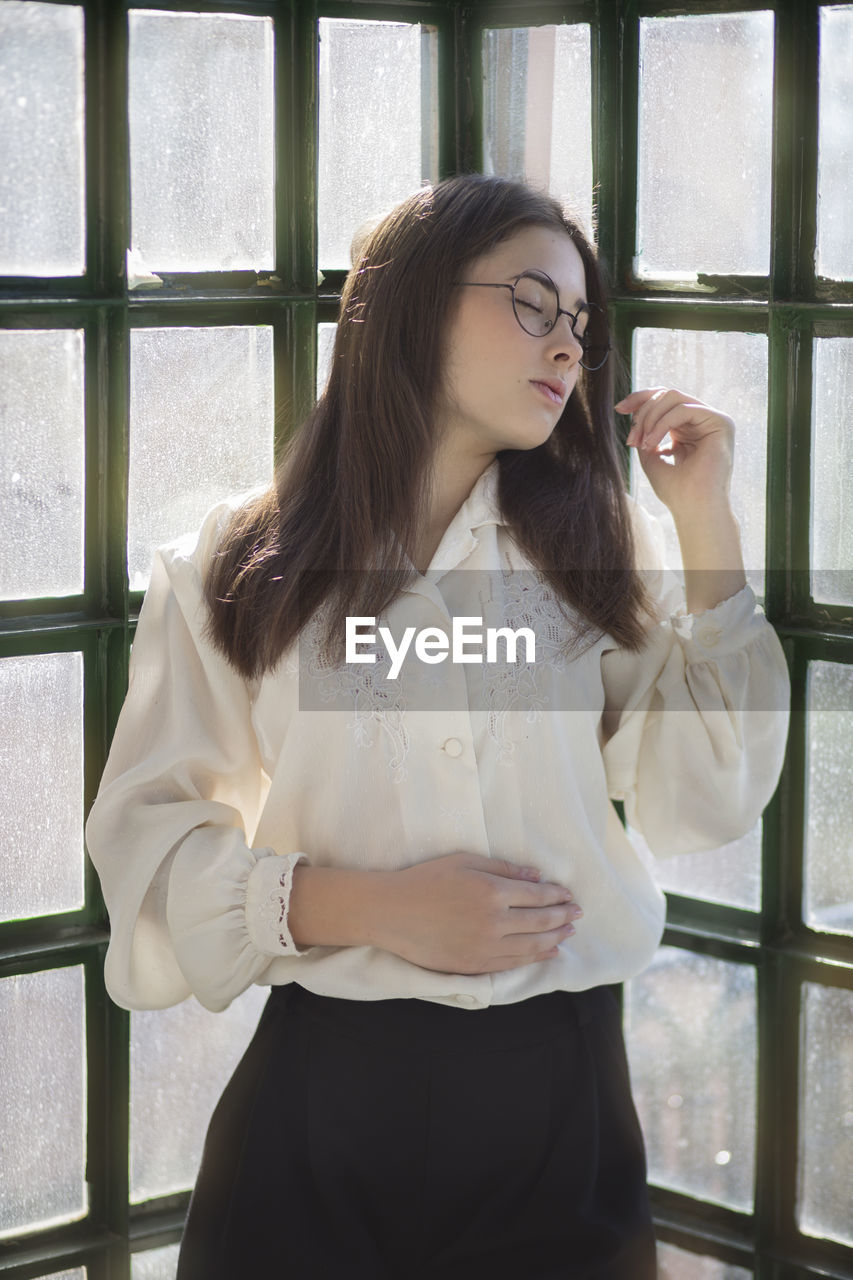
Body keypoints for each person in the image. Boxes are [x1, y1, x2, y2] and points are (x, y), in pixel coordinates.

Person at [85, 174, 790, 1279]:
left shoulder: (596, 562)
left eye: (579, 322)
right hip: (314, 1119)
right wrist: (369, 905)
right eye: (530, 301)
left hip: (560, 1117)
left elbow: (707, 788)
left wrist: (703, 521)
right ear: (408, 302)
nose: (567, 346)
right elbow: (145, 834)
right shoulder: (233, 561)